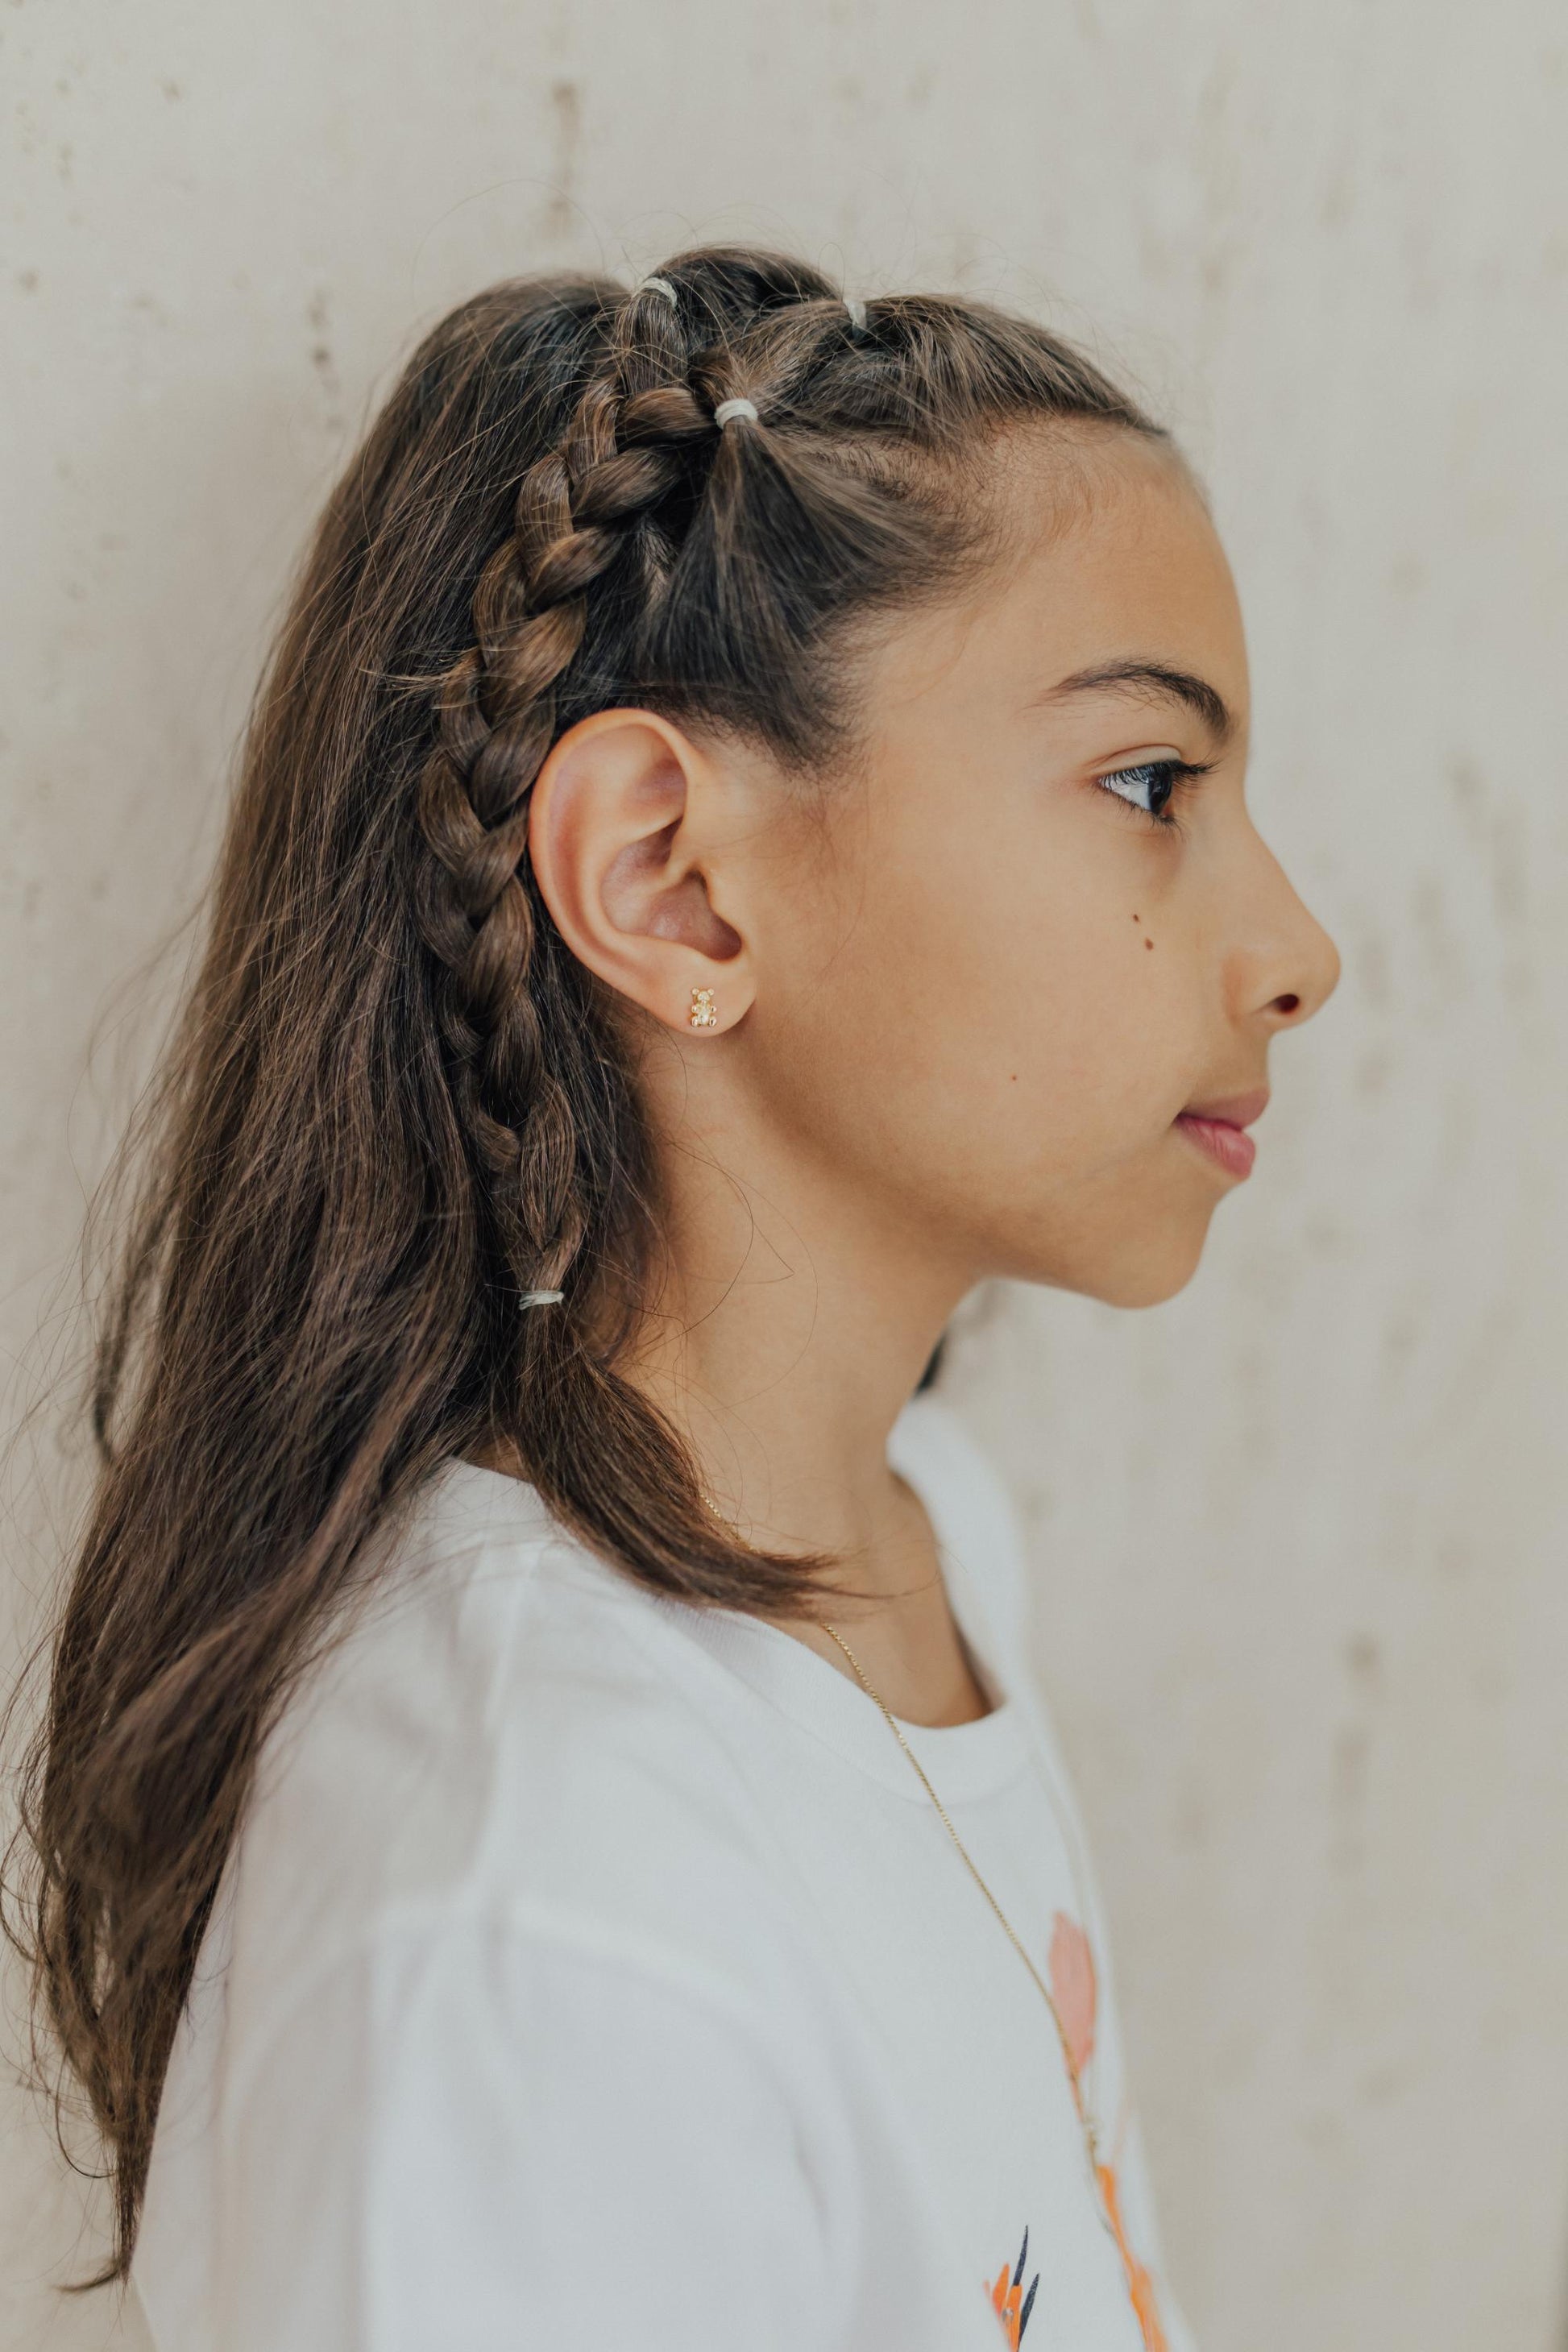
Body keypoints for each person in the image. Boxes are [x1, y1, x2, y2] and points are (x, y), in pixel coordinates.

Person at [10, 247, 1339, 2350]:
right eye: (1148, 786)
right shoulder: (541, 1900)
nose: (1296, 953)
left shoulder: (922, 1540)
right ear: (672, 880)